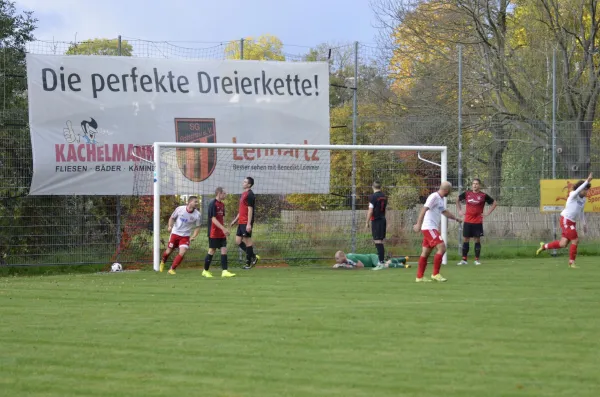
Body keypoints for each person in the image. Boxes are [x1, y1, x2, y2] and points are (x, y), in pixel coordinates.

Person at [536, 173, 593, 268]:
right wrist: (587, 180)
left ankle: (544, 246)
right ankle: (571, 263)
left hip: (572, 222)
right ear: (581, 189)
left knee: (563, 244)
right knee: (575, 240)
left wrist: (584, 224)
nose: (587, 192)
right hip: (566, 220)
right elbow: (578, 190)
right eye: (586, 190)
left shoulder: (583, 200)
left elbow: (581, 212)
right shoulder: (573, 194)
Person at [412, 182, 463, 282]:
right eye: (450, 191)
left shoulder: (439, 199)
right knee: (442, 248)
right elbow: (424, 209)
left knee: (425, 252)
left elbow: (445, 212)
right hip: (429, 228)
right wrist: (418, 224)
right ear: (446, 190)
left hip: (430, 228)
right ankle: (435, 274)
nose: (450, 193)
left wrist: (456, 218)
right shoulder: (434, 197)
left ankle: (419, 277)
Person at [456, 178, 497, 265]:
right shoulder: (467, 193)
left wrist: (487, 213)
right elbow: (457, 199)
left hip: (477, 221)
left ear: (480, 185)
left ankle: (477, 260)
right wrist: (459, 210)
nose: (475, 185)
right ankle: (464, 260)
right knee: (466, 239)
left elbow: (494, 203)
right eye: (473, 184)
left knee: (477, 240)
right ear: (472, 185)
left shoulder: (483, 195)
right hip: (467, 221)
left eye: (477, 184)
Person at [160, 196, 201, 275]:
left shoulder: (197, 214)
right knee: (168, 251)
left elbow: (198, 227)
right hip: (175, 233)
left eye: (197, 202)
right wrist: (170, 226)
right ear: (189, 202)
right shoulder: (180, 209)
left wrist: (194, 236)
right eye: (195, 202)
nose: (197, 203)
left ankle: (172, 269)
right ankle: (162, 262)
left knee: (182, 251)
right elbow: (172, 218)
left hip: (185, 236)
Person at [203, 187, 236, 278]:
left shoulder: (222, 204)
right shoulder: (212, 204)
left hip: (221, 232)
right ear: (219, 193)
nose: (226, 195)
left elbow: (222, 218)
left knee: (224, 249)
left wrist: (225, 229)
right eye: (224, 193)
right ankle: (205, 271)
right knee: (212, 250)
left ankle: (224, 271)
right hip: (213, 232)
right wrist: (223, 229)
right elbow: (213, 219)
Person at [230, 177, 260, 269]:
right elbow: (242, 209)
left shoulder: (250, 195)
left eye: (245, 182)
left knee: (248, 242)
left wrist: (249, 224)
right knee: (238, 241)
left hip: (246, 222)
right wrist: (235, 220)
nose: (243, 183)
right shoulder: (244, 194)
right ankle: (253, 257)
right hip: (240, 222)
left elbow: (250, 210)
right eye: (243, 181)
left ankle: (248, 264)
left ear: (249, 185)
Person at [365, 181, 388, 270]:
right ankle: (381, 261)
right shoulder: (384, 196)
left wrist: (366, 222)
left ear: (372, 187)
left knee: (378, 241)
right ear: (380, 187)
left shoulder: (372, 197)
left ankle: (381, 262)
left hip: (376, 220)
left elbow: (370, 210)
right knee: (380, 241)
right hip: (383, 219)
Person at [333, 251, 410, 269]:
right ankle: (403, 259)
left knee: (381, 265)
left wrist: (346, 266)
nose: (336, 260)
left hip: (372, 258)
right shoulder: (347, 259)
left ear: (343, 257)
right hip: (370, 262)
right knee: (386, 262)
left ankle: (403, 266)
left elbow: (361, 266)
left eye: (337, 258)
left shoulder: (350, 258)